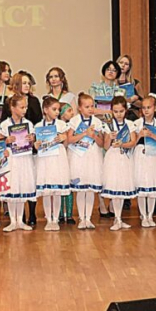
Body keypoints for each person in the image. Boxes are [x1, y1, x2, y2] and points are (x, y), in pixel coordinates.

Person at [66, 93, 105, 230]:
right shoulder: (75, 120)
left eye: (92, 106)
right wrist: (84, 134)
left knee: (90, 189)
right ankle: (81, 218)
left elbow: (101, 143)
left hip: (93, 156)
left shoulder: (97, 122)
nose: (90, 109)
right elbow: (69, 139)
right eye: (87, 107)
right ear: (80, 108)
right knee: (81, 189)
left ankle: (88, 218)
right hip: (78, 156)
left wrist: (94, 136)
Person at [0, 94, 36, 232]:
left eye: (26, 107)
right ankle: (12, 221)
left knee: (22, 185)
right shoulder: (5, 124)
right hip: (12, 158)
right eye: (22, 107)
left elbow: (33, 141)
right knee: (12, 186)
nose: (25, 110)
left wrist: (31, 139)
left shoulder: (29, 124)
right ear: (13, 108)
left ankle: (20, 220)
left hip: (24, 157)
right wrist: (6, 141)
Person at [34, 97, 71, 231]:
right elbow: (36, 144)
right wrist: (36, 145)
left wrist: (63, 137)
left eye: (58, 110)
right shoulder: (38, 126)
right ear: (45, 110)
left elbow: (67, 140)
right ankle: (48, 219)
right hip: (44, 158)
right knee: (46, 190)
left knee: (56, 191)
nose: (57, 112)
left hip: (57, 157)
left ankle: (55, 219)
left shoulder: (61, 124)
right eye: (54, 109)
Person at [101, 97, 137, 231]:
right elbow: (105, 146)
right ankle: (116, 218)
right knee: (115, 187)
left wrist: (122, 144)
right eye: (115, 111)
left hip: (125, 158)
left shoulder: (130, 124)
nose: (118, 114)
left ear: (126, 110)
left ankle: (119, 218)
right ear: (111, 111)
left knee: (122, 188)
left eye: (121, 111)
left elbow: (133, 142)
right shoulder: (108, 125)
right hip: (113, 158)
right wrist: (109, 138)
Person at [133, 96, 156, 227]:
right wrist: (139, 136)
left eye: (149, 107)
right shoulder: (136, 124)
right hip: (141, 156)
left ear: (155, 108)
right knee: (142, 185)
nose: (146, 110)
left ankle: (150, 215)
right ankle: (143, 214)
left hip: (155, 156)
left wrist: (152, 135)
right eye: (144, 108)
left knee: (153, 184)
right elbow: (131, 143)